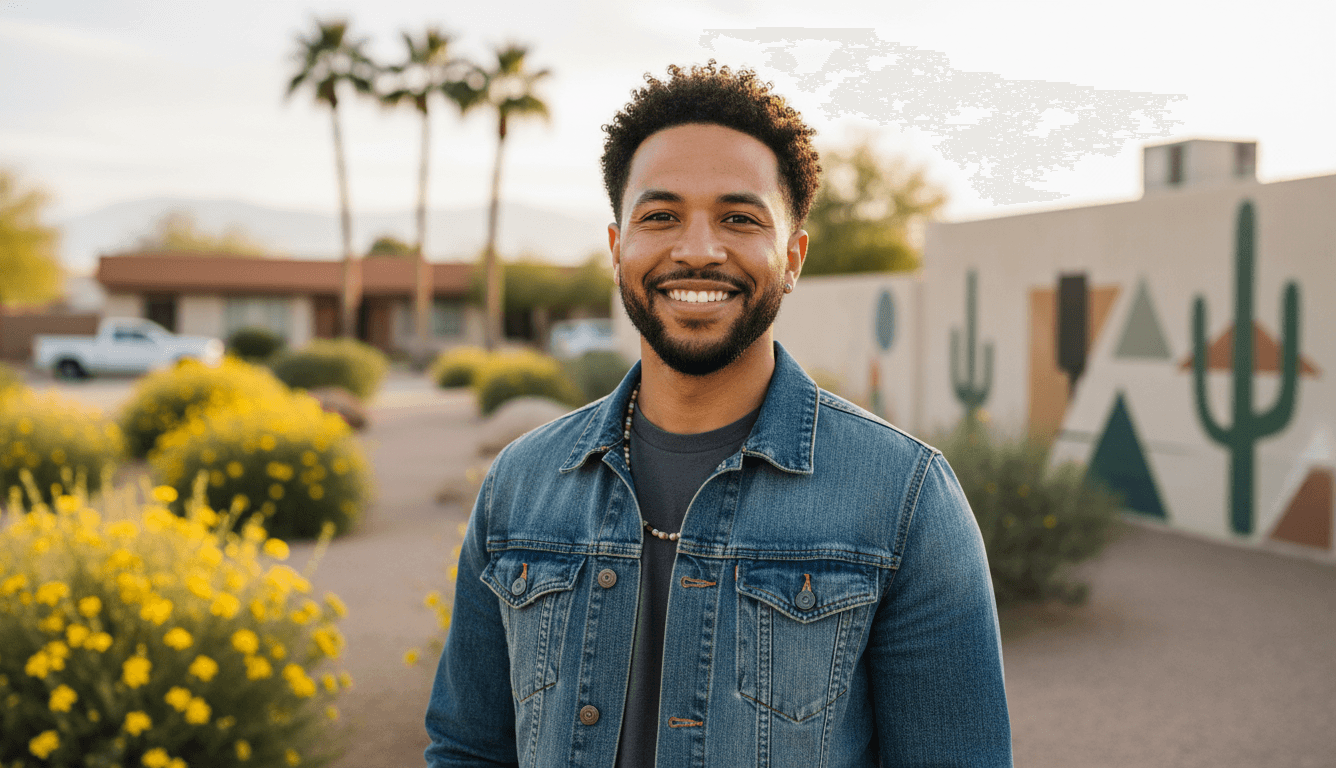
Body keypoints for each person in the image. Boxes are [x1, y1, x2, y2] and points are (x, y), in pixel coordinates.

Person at [424, 61, 1011, 768]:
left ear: (792, 257)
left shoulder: (904, 497)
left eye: (739, 218)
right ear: (617, 248)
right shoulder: (519, 484)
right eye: (660, 216)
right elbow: (468, 750)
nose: (698, 250)